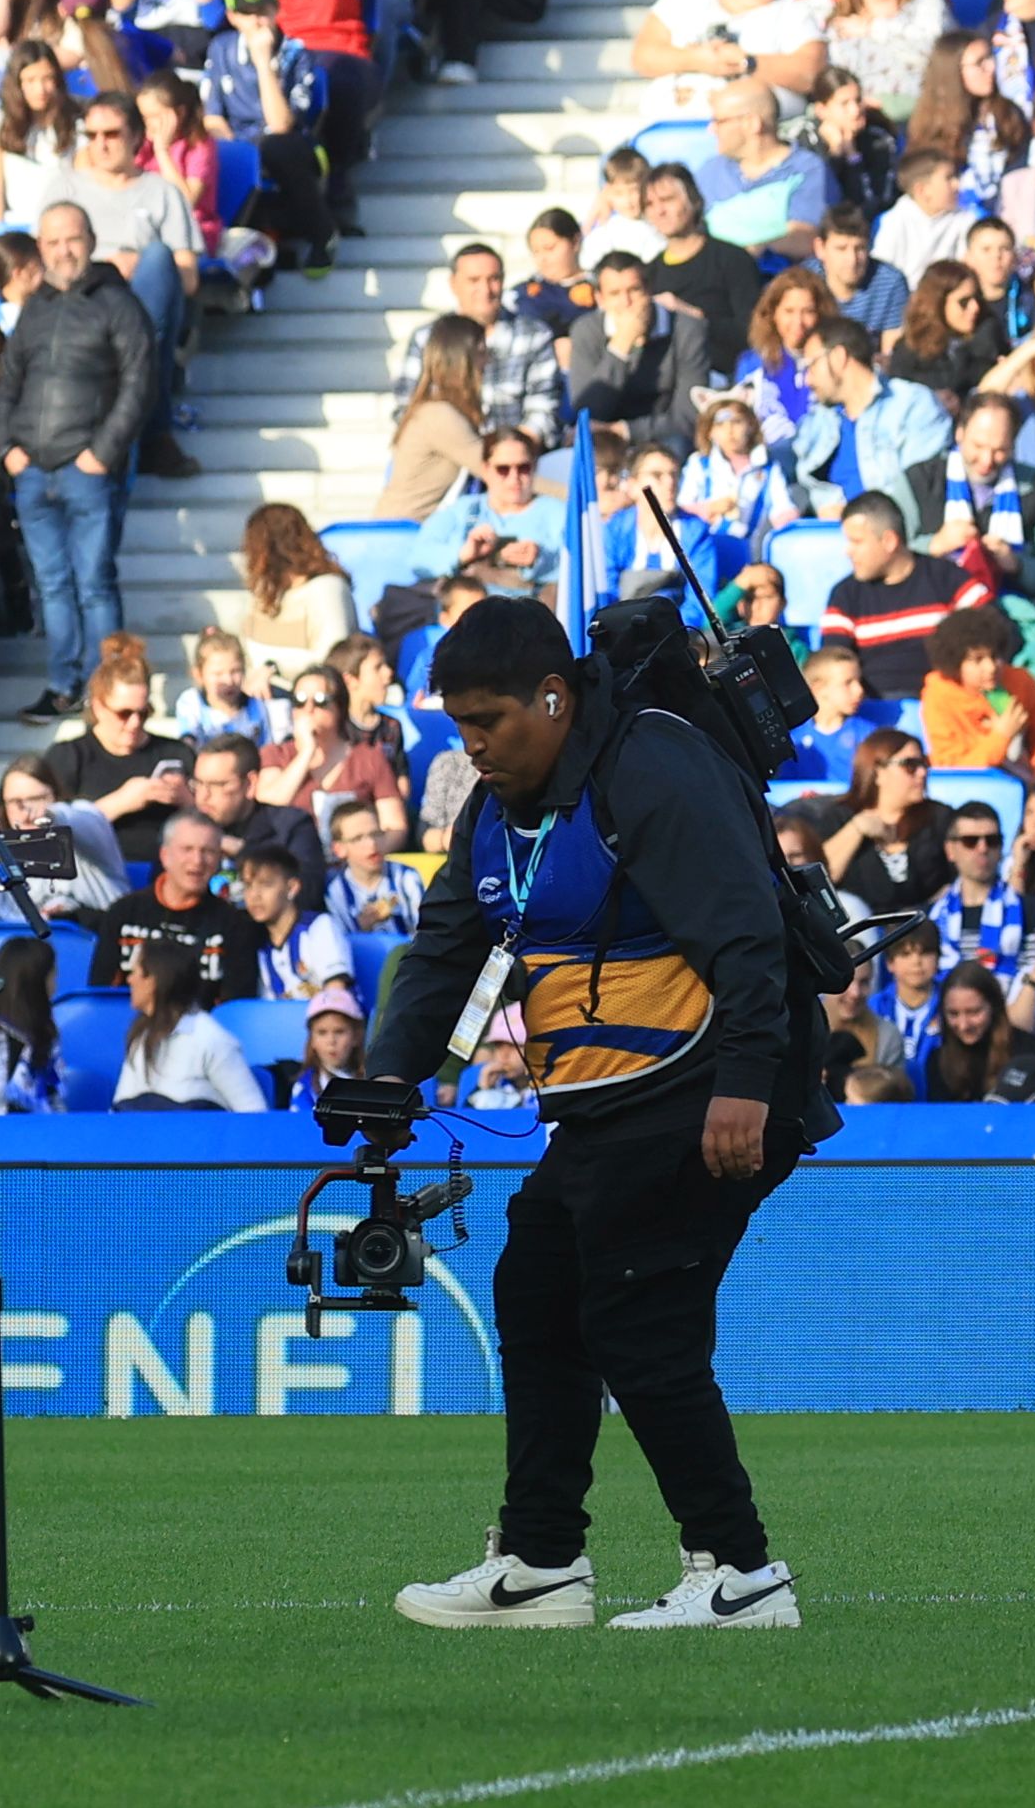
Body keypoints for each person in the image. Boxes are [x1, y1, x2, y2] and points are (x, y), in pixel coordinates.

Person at [343, 594, 826, 1631]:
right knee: (538, 1288)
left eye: (490, 721)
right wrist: (391, 1079)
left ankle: (739, 1575)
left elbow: (747, 929)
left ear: (555, 696)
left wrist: (745, 1082)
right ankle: (542, 1564)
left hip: (720, 1085)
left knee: (635, 1314)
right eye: (459, 725)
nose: (472, 746)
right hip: (616, 1100)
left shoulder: (652, 765)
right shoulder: (494, 806)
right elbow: (445, 951)